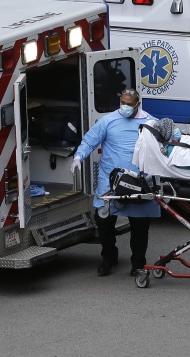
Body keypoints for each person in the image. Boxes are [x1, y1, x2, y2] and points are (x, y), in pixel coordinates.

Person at [70, 88, 160, 276]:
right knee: (103, 223)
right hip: (110, 182)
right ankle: (109, 257)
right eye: (123, 103)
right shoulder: (108, 121)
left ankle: (138, 264)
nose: (125, 107)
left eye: (129, 104)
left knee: (140, 227)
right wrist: (79, 157)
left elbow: (163, 146)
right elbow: (90, 140)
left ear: (138, 104)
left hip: (139, 182)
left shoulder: (150, 122)